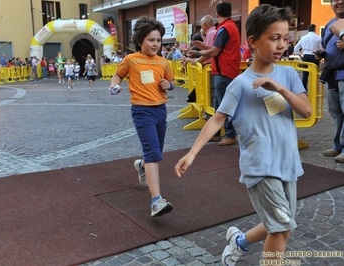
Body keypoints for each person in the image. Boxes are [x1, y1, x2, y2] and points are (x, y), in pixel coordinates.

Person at [175, 4, 312, 265]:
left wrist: (280, 88)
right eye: (274, 38)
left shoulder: (289, 75)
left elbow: (306, 111)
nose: (282, 44)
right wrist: (192, 153)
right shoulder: (239, 84)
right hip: (260, 167)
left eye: (285, 38)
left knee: (285, 225)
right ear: (253, 42)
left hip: (288, 163)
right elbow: (217, 119)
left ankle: (239, 242)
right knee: (281, 226)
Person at [108, 16, 175, 217]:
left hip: (160, 110)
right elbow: (118, 75)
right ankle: (156, 201)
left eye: (158, 40)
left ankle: (141, 165)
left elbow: (172, 82)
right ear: (140, 41)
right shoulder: (131, 60)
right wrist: (114, 86)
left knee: (156, 151)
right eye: (151, 40)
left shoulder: (164, 62)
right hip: (141, 111)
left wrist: (168, 85)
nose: (155, 44)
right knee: (153, 152)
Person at [186, 2, 241, 145]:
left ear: (217, 14)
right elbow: (217, 49)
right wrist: (202, 49)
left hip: (224, 71)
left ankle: (230, 134)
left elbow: (215, 51)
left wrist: (197, 53)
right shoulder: (230, 27)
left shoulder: (224, 29)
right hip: (225, 70)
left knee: (223, 105)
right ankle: (217, 133)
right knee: (218, 106)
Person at [317, 0, 344, 163]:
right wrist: (322, 54)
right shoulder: (329, 24)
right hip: (332, 74)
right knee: (336, 114)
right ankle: (338, 146)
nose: (340, 2)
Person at [293, 24, 323, 90]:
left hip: (306, 56)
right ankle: (314, 89)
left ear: (308, 29)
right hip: (314, 56)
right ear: (315, 29)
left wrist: (300, 56)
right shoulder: (318, 38)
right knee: (315, 73)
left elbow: (296, 48)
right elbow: (321, 48)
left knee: (305, 74)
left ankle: (304, 89)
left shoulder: (303, 38)